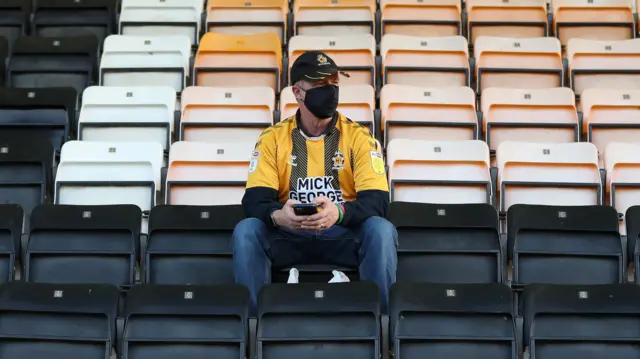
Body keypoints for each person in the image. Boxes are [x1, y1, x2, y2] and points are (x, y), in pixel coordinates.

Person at [233, 50, 397, 314]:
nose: (330, 91)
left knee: (381, 230)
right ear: (298, 92)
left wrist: (338, 212)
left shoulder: (359, 137)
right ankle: (252, 326)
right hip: (290, 236)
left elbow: (378, 201)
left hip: (341, 235)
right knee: (247, 230)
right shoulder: (273, 138)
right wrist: (278, 216)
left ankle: (383, 323)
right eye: (321, 84)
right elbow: (254, 199)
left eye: (334, 84)